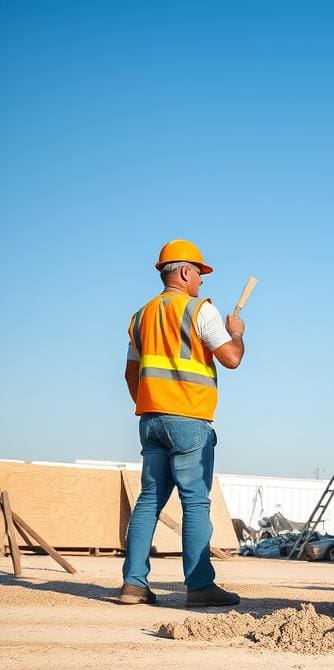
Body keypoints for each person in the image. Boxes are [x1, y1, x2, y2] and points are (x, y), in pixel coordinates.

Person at [119, 239, 246, 607]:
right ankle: (200, 585)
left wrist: (153, 405)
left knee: (148, 502)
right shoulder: (200, 310)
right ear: (186, 272)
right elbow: (232, 358)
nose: (202, 282)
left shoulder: (140, 317)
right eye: (201, 274)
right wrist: (236, 330)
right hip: (189, 419)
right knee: (195, 503)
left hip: (152, 419)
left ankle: (133, 584)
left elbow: (130, 374)